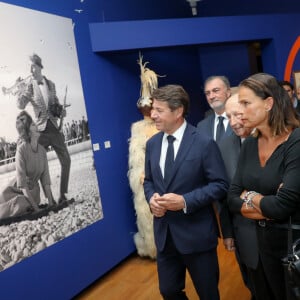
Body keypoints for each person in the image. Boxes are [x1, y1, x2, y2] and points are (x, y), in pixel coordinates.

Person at [143, 84, 228, 300]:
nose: (153, 115)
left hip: (196, 235)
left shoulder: (203, 143)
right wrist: (151, 198)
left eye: (159, 110)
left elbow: (220, 184)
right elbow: (149, 181)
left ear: (178, 111)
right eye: (153, 109)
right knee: (169, 291)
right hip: (165, 236)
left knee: (208, 294)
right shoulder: (152, 144)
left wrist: (185, 201)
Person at [227, 73, 300, 300]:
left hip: (293, 245)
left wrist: (249, 196)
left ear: (268, 103)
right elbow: (231, 198)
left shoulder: (296, 140)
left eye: (246, 103)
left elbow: (282, 206)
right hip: (263, 247)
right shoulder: (249, 144)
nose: (240, 111)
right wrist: (265, 203)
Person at [218, 93, 258, 300]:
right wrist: (227, 232)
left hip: (278, 231)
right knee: (252, 285)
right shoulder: (224, 146)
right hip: (242, 231)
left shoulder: (275, 138)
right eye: (228, 117)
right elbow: (223, 193)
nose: (233, 122)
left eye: (238, 115)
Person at [16, 53, 71, 203]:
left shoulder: (51, 84)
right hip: (40, 131)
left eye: (32, 66)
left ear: (39, 66)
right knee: (37, 164)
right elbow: (20, 105)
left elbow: (56, 106)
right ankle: (48, 198)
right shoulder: (30, 87)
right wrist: (22, 91)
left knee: (66, 160)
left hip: (54, 127)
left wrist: (61, 111)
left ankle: (63, 195)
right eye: (29, 67)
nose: (30, 70)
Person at [0, 111, 55, 222]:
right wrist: (36, 209)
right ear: (28, 131)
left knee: (24, 203)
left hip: (33, 193)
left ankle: (27, 206)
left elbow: (45, 181)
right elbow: (23, 186)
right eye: (33, 124)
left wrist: (51, 203)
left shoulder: (42, 151)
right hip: (14, 190)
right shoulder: (21, 150)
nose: (37, 126)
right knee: (20, 203)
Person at [197, 75, 233, 143]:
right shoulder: (201, 126)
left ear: (228, 92)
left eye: (216, 91)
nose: (211, 96)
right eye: (207, 93)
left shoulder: (241, 118)